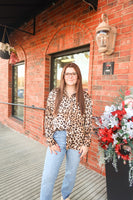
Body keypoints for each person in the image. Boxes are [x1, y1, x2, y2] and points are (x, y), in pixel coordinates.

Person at [40, 63, 92, 200]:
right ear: (63, 76)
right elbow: (48, 118)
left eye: (73, 73)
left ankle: (65, 195)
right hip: (58, 138)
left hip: (77, 140)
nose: (70, 76)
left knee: (71, 172)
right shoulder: (54, 94)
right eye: (67, 73)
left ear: (78, 77)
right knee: (49, 174)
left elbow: (88, 121)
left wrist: (86, 143)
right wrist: (50, 141)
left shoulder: (85, 97)